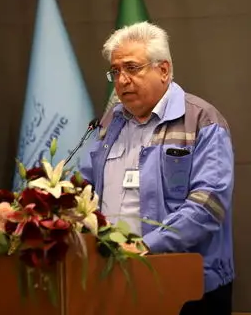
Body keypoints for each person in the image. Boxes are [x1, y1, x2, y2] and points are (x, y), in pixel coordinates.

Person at [80, 21, 235, 315]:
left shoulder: (202, 120)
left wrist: (148, 245)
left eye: (132, 68)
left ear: (163, 70)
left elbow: (209, 203)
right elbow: (85, 188)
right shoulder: (111, 120)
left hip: (187, 284)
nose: (122, 80)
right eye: (115, 71)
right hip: (115, 275)